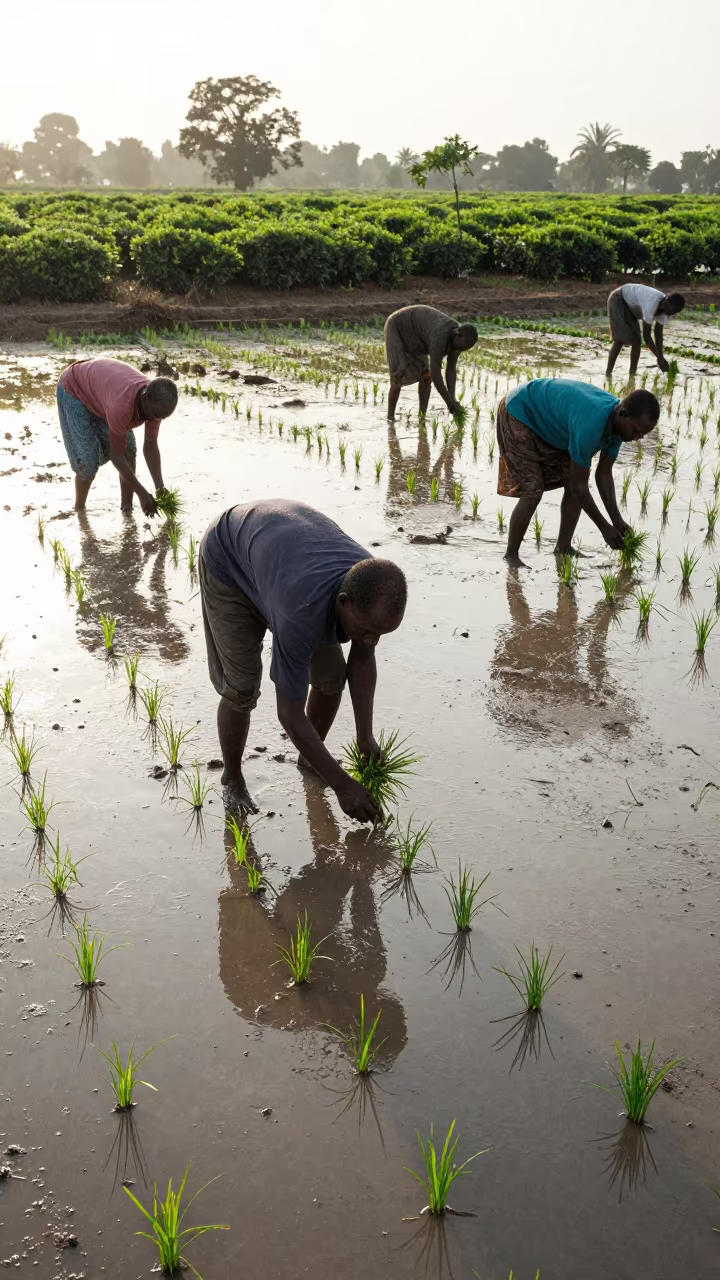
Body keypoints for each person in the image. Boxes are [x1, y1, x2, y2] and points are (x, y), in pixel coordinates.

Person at [199, 499, 407, 820]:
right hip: (230, 563)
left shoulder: (371, 584)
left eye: (379, 634)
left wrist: (364, 737)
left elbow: (363, 656)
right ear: (343, 602)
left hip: (279, 556)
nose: (369, 640)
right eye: (364, 631)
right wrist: (342, 785)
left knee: (331, 680)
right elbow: (290, 714)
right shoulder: (302, 612)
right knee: (242, 689)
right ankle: (233, 778)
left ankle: (310, 762)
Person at [496, 378, 660, 566]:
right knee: (533, 490)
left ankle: (563, 548)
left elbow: (603, 475)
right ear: (623, 414)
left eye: (643, 435)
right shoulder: (591, 425)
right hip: (520, 411)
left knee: (570, 478)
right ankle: (512, 555)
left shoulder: (618, 428)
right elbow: (580, 487)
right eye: (637, 431)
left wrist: (617, 520)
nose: (638, 438)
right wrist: (604, 528)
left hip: (550, 423)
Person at [56, 357, 178, 514]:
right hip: (74, 389)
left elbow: (150, 444)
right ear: (145, 397)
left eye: (161, 417)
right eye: (154, 414)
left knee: (129, 451)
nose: (155, 419)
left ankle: (127, 510)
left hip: (101, 392)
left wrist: (159, 487)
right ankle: (79, 511)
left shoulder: (157, 407)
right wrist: (142, 493)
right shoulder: (122, 405)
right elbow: (116, 457)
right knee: (88, 462)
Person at [384, 304, 478, 420]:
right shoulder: (440, 335)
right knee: (398, 377)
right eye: (459, 348)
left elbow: (451, 368)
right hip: (397, 327)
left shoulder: (459, 343)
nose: (457, 351)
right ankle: (390, 418)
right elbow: (436, 373)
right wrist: (448, 402)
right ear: (457, 334)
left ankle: (421, 417)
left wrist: (453, 398)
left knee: (426, 376)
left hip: (417, 337)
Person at [606, 284, 685, 378]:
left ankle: (632, 375)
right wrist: (659, 358)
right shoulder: (652, 303)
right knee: (620, 340)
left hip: (630, 309)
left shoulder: (665, 311)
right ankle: (608, 374)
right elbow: (647, 337)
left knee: (637, 342)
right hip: (618, 299)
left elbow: (658, 335)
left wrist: (661, 357)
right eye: (670, 310)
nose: (670, 313)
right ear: (667, 302)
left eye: (673, 313)